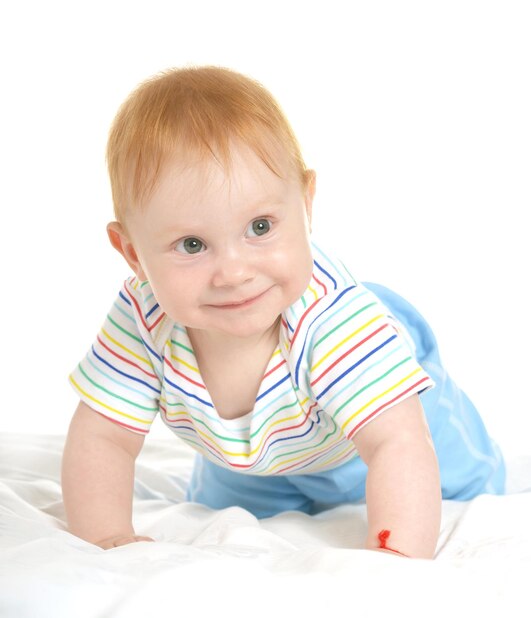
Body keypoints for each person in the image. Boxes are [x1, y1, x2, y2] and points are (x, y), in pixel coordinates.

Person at [62, 66, 505, 558]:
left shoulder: (335, 323)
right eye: (192, 244)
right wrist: (105, 538)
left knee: (468, 488)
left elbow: (397, 444)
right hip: (256, 459)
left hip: (389, 428)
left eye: (259, 227)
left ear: (306, 204)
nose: (233, 271)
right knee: (224, 513)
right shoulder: (144, 323)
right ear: (132, 254)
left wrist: (394, 562)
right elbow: (103, 438)